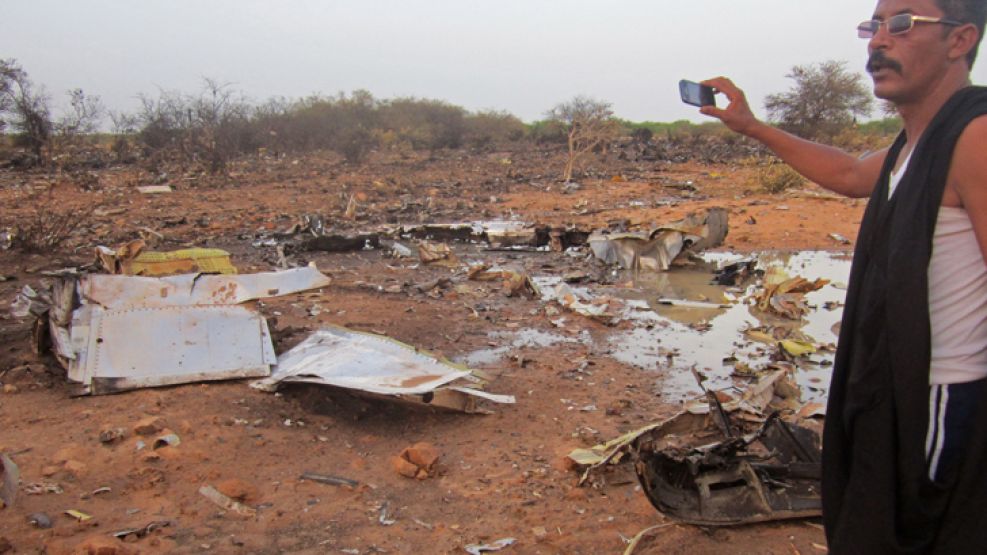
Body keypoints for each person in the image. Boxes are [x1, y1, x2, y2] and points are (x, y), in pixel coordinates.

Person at [696, 0, 987, 551]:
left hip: (943, 396)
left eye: (902, 24)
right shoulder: (914, 144)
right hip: (893, 388)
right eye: (871, 26)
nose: (879, 41)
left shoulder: (975, 136)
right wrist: (751, 126)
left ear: (960, 39)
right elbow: (851, 173)